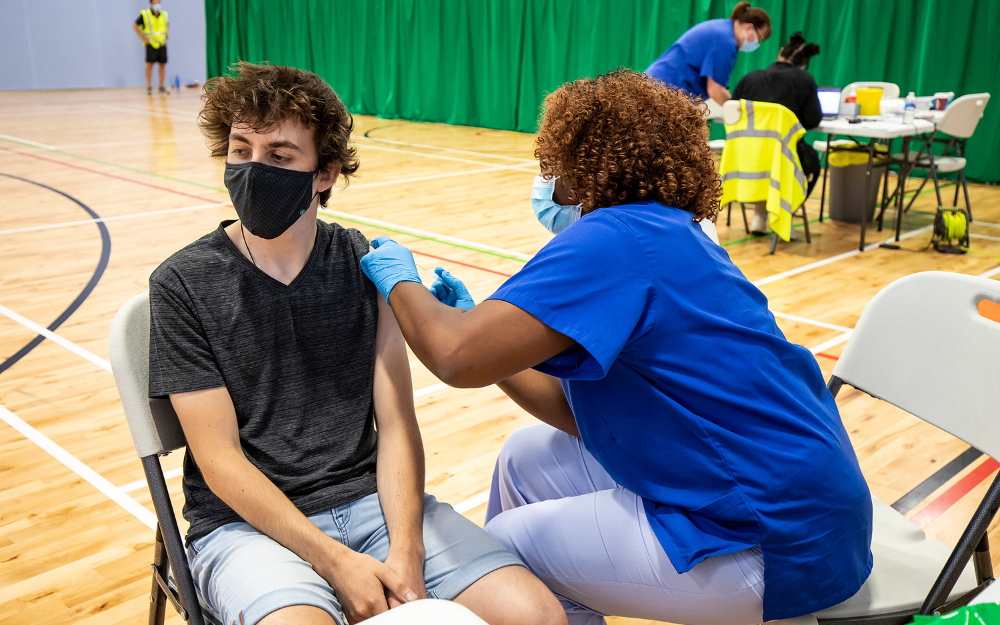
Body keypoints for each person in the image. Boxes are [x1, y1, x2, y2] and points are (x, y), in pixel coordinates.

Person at [360, 69, 873, 625]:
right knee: (523, 460)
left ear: (586, 164)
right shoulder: (672, 230)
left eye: (554, 164)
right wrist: (488, 347)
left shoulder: (612, 240)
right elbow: (579, 410)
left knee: (508, 548)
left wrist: (399, 282)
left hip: (769, 537)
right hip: (809, 500)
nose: (547, 179)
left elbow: (454, 357)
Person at [147, 61, 565, 625]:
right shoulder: (182, 283)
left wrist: (408, 552)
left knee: (536, 615)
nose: (251, 170)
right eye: (240, 150)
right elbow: (219, 462)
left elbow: (396, 425)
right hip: (247, 526)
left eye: (280, 156)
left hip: (374, 503)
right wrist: (336, 563)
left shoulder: (360, 262)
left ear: (325, 173)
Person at [732, 32, 823, 235]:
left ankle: (760, 215)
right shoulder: (805, 80)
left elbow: (733, 112)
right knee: (811, 162)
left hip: (746, 157)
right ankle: (784, 215)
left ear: (780, 52)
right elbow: (813, 120)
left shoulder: (749, 78)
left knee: (766, 158)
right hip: (785, 157)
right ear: (803, 64)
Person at [645, 1, 771, 105]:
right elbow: (715, 90)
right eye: (759, 38)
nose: (757, 44)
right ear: (749, 27)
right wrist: (740, 114)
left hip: (658, 87)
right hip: (662, 92)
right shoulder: (725, 41)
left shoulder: (722, 29)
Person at [134, 0, 169, 95]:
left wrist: (166, 38)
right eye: (155, 2)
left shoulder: (164, 14)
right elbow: (135, 25)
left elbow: (166, 26)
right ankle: (149, 87)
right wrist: (143, 38)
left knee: (162, 65)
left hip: (162, 43)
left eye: (158, 2)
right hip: (151, 44)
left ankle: (161, 86)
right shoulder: (145, 14)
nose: (157, 4)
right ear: (151, 4)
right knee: (150, 65)